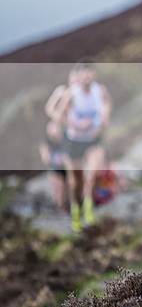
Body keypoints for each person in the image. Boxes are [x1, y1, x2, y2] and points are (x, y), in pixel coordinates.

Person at [56, 62, 112, 232]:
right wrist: (76, 124)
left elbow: (107, 103)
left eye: (90, 73)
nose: (87, 77)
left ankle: (89, 207)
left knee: (94, 174)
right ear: (79, 76)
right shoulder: (72, 94)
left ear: (94, 75)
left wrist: (104, 116)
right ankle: (76, 210)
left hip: (94, 138)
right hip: (75, 141)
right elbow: (59, 114)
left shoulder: (99, 90)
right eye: (84, 74)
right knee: (75, 181)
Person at [38, 70, 77, 213]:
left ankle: (72, 210)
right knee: (60, 188)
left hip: (70, 157)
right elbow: (50, 110)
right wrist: (56, 95)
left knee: (71, 186)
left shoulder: (70, 119)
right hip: (57, 160)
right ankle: (62, 210)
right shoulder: (54, 123)